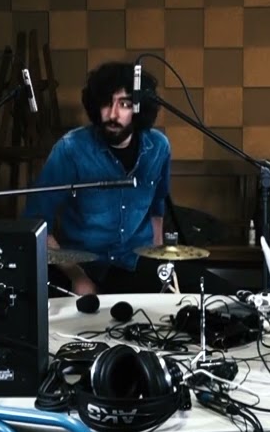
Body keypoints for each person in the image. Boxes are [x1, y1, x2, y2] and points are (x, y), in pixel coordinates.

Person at [24, 61, 174, 295]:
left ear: (139, 108)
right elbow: (36, 222)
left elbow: (157, 208)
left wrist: (158, 266)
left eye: (124, 104)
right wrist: (77, 276)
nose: (113, 114)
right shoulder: (71, 149)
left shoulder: (158, 147)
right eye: (106, 103)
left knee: (212, 298)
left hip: (135, 263)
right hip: (82, 266)